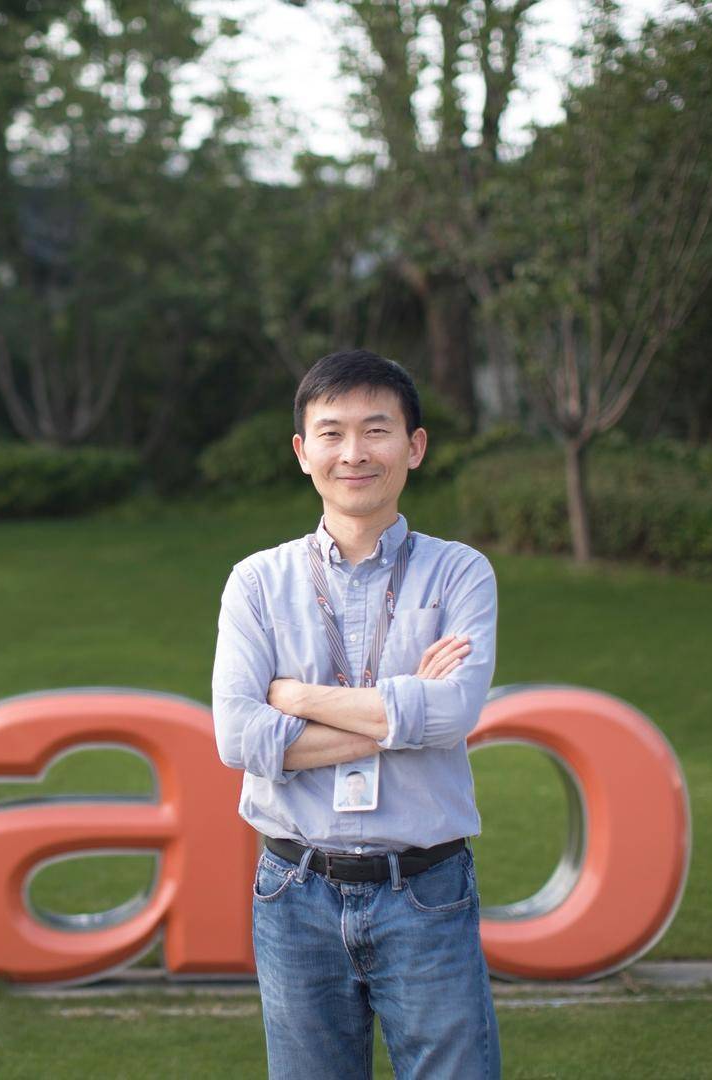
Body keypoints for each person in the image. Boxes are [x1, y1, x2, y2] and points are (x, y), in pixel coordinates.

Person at [211, 349, 501, 1079]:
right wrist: (400, 710)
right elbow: (239, 736)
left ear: (415, 446)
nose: (354, 453)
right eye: (332, 433)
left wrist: (295, 698)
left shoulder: (460, 572)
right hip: (294, 890)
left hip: (426, 890)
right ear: (302, 452)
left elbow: (453, 712)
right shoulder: (257, 582)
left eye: (376, 430)